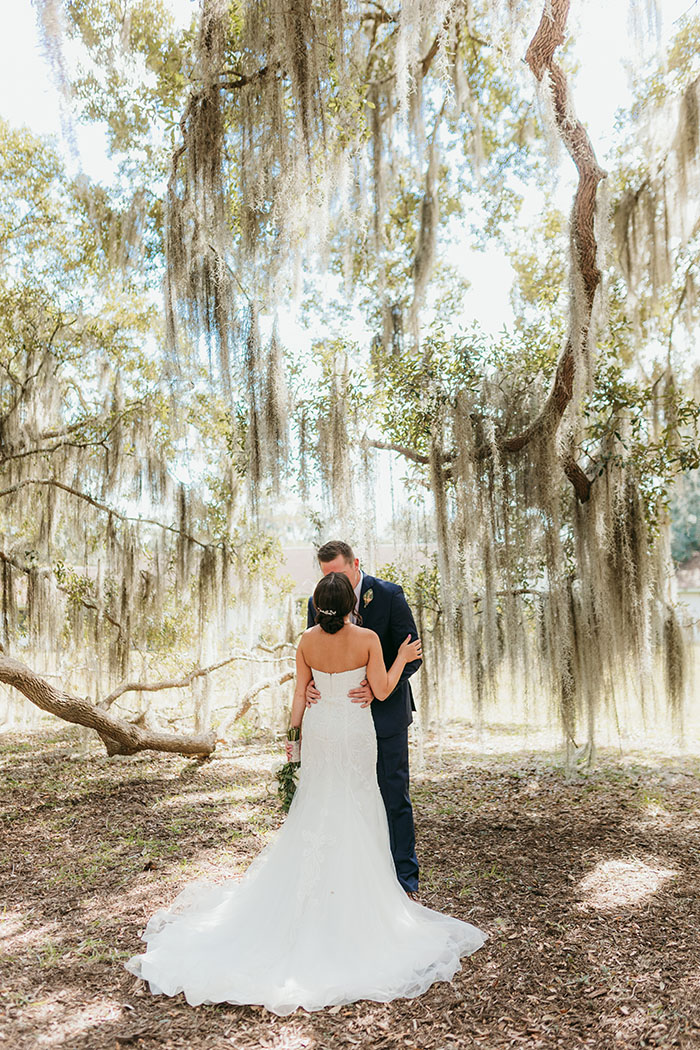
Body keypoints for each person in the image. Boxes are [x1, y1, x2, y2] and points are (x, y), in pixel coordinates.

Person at [124, 572, 486, 1014]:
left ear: (318, 606)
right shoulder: (369, 637)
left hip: (319, 729)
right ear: (352, 603)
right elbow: (386, 689)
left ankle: (311, 898)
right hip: (354, 730)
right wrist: (402, 656)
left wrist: (292, 742)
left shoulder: (306, 641)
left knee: (318, 802)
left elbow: (299, 694)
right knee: (358, 800)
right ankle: (360, 905)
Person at [305, 540, 422, 895]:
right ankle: (346, 879)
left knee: (392, 793)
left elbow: (412, 655)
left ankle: (403, 878)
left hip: (385, 713)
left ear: (356, 564)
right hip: (336, 719)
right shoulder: (318, 600)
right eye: (326, 576)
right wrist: (310, 684)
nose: (332, 584)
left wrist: (376, 686)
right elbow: (314, 648)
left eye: (338, 574)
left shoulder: (389, 595)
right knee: (342, 793)